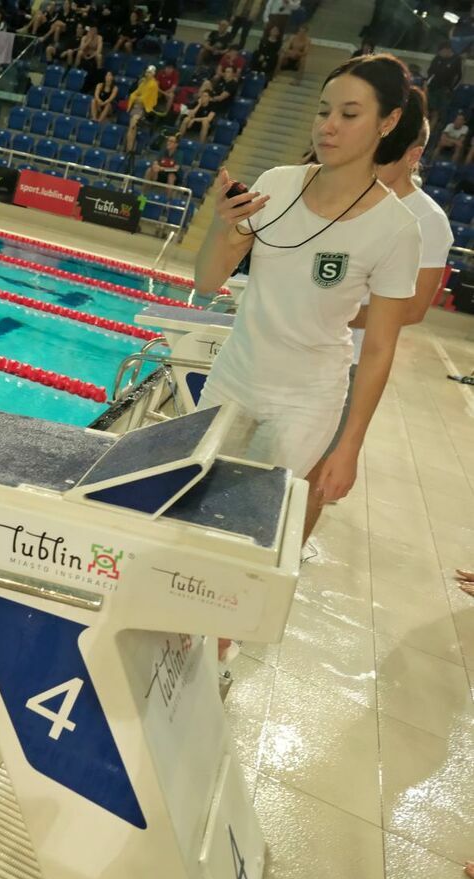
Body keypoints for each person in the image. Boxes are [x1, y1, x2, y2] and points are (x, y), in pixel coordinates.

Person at [193, 54, 425, 672]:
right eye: (324, 110)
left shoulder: (396, 228)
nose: (328, 125)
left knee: (248, 524)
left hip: (306, 397)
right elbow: (207, 279)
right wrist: (225, 230)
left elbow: (379, 348)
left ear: (387, 123)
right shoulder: (278, 181)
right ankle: (190, 630)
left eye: (349, 114)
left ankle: (217, 647)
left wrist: (348, 447)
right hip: (234, 375)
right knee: (196, 511)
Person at [305, 113, 452, 540]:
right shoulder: (353, 195)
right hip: (304, 344)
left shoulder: (428, 221)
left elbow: (413, 309)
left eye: (384, 157)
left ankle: (286, 557)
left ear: (413, 156)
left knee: (317, 469)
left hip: (350, 356)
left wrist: (338, 312)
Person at [426, 42, 463, 129]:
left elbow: (459, 76)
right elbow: (430, 72)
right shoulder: (437, 58)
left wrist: (451, 88)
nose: (440, 54)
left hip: (445, 89)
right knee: (431, 110)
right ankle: (427, 128)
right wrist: (427, 83)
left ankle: (437, 129)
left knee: (441, 111)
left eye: (442, 52)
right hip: (433, 87)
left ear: (447, 50)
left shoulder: (456, 59)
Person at [125, 64, 158, 152]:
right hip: (136, 107)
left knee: (132, 128)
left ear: (153, 74)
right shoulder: (144, 82)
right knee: (132, 129)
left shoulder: (153, 85)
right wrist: (135, 98)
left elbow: (144, 99)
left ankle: (130, 149)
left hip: (144, 109)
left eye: (150, 73)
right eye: (147, 72)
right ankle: (130, 149)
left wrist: (136, 98)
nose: (147, 74)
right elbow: (134, 93)